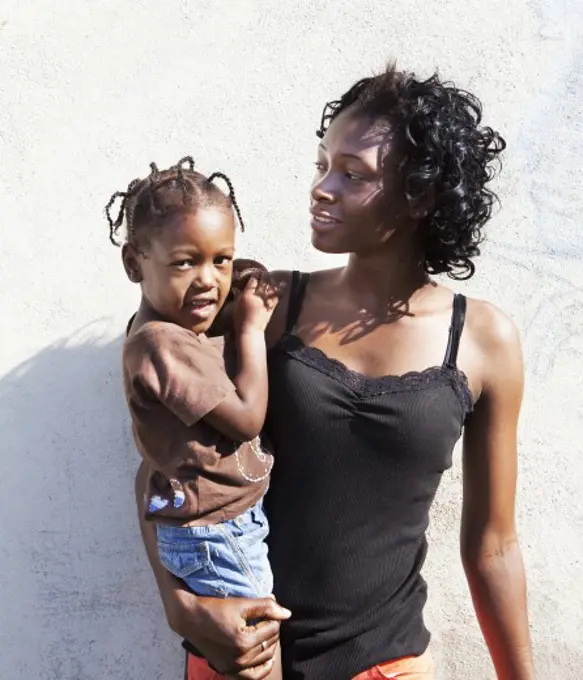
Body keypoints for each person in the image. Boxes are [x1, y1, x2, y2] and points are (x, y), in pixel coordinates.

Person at [136, 65, 535, 680]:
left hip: (386, 666)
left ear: (421, 195)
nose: (322, 187)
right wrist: (183, 609)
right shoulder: (263, 306)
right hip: (240, 659)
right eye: (322, 165)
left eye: (353, 174)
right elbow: (164, 469)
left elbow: (494, 545)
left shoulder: (481, 341)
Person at [106, 157, 287, 680]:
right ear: (135, 263)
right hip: (217, 533)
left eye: (222, 260)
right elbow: (248, 418)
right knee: (258, 661)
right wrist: (251, 329)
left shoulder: (175, 328)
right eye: (185, 262)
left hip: (222, 526)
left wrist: (242, 277)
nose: (209, 281)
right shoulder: (162, 344)